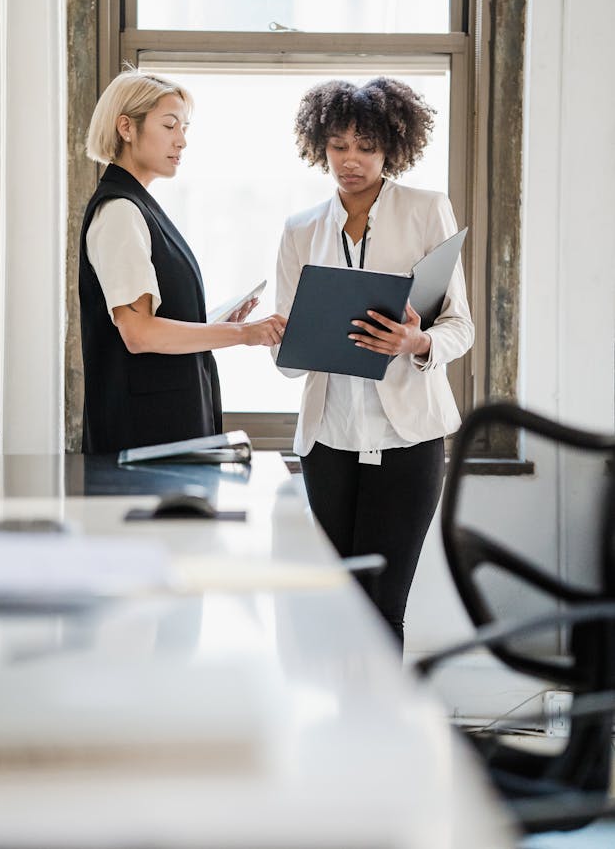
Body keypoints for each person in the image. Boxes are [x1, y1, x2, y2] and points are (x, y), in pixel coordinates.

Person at [273, 77, 474, 649]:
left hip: (408, 438)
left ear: (392, 146)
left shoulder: (427, 209)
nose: (350, 160)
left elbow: (460, 327)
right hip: (328, 441)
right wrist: (284, 338)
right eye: (337, 145)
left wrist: (416, 342)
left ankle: (384, 737)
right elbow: (287, 362)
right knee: (340, 610)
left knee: (383, 608)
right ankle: (341, 733)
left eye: (365, 146)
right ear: (320, 146)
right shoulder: (299, 229)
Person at [79, 68, 286, 454]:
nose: (182, 140)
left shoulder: (140, 206)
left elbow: (153, 323)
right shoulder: (121, 211)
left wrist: (215, 322)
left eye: (185, 127)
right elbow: (138, 334)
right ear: (127, 127)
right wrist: (245, 334)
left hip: (163, 428)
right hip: (146, 435)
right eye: (170, 125)